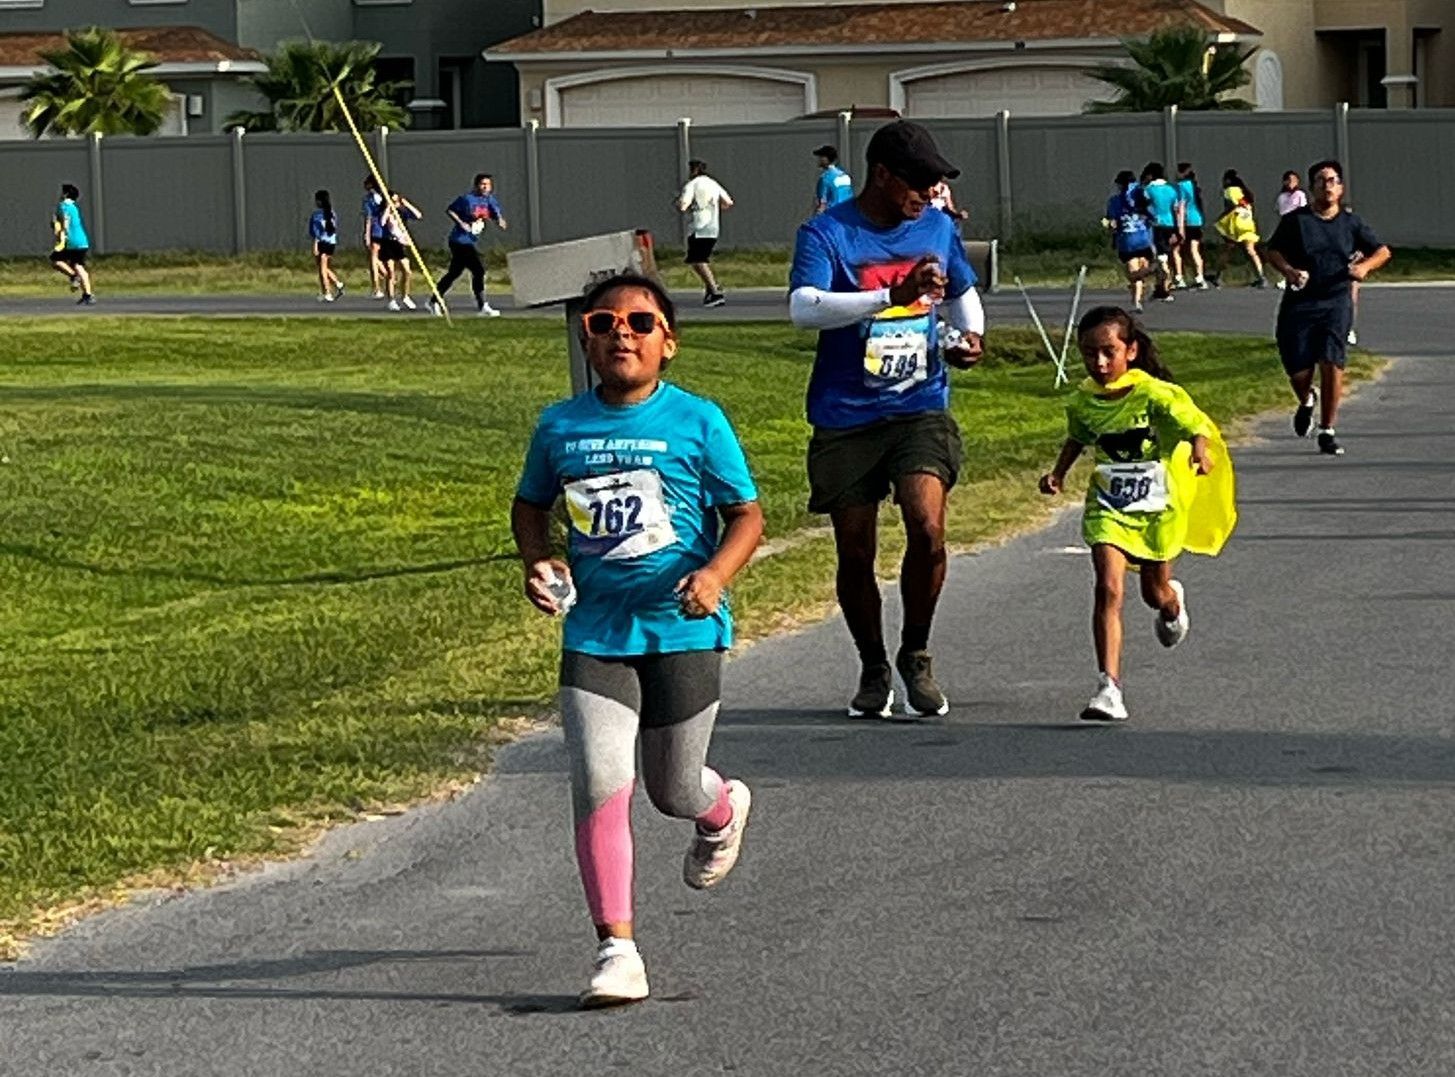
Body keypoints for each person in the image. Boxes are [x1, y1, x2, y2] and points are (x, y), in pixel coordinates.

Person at [512, 273, 764, 1008]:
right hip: (595, 629)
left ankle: (720, 811)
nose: (622, 332)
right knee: (597, 782)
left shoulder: (698, 421)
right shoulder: (559, 427)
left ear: (668, 342)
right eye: (603, 321)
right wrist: (539, 558)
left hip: (682, 624)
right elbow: (529, 504)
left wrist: (715, 574)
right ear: (586, 339)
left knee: (673, 789)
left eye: (641, 321)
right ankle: (616, 948)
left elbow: (746, 515)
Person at [788, 120, 986, 720]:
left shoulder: (935, 225)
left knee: (928, 528)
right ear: (882, 175)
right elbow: (803, 309)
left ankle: (916, 653)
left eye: (935, 182)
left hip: (919, 402)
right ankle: (873, 665)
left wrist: (971, 335)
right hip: (847, 411)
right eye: (919, 182)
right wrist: (887, 296)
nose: (929, 192)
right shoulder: (827, 232)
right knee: (856, 552)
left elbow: (960, 293)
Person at [1038, 306, 1235, 723]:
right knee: (1108, 588)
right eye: (1090, 354)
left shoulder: (1155, 394)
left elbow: (1195, 423)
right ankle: (1109, 687)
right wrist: (1058, 473)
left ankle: (1171, 603)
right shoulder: (1084, 401)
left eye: (1109, 352)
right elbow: (1078, 437)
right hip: (1109, 507)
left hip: (1156, 509)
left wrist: (1200, 447)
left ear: (1131, 350)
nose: (1100, 363)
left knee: (1152, 593)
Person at [1265, 159, 1391, 457]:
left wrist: (1364, 267)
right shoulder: (1296, 220)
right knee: (1298, 368)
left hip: (1336, 300)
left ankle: (1327, 430)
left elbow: (1382, 251)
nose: (1328, 186)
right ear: (1312, 188)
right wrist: (1290, 272)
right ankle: (1307, 399)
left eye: (1333, 180)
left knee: (1331, 361)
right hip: (1301, 301)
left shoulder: (1351, 223)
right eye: (1321, 181)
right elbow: (1272, 251)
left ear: (1341, 187)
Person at [432, 172, 506, 318]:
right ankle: (482, 305)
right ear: (477, 185)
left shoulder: (489, 200)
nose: (485, 187)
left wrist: (499, 220)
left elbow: (494, 212)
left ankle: (434, 300)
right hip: (459, 241)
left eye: (488, 185)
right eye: (482, 184)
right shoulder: (467, 199)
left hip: (470, 240)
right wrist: (461, 223)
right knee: (478, 270)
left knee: (454, 273)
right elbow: (450, 210)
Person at [676, 159, 733, 307]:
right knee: (700, 259)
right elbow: (728, 202)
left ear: (693, 171)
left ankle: (715, 291)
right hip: (713, 226)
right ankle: (710, 288)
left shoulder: (692, 185)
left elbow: (683, 205)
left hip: (698, 226)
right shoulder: (713, 183)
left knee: (698, 260)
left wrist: (682, 203)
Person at [1103, 170, 1157, 313]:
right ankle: (1137, 299)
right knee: (1139, 271)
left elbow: (1112, 222)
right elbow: (1154, 217)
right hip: (1144, 239)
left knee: (1133, 273)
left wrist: (1110, 228)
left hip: (1127, 241)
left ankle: (1137, 300)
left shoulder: (1115, 201)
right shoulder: (1142, 197)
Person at [1213, 169, 1266, 288]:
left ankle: (1218, 277)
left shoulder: (1229, 190)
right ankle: (1261, 276)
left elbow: (1231, 205)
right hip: (1247, 221)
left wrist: (1221, 218)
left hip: (1235, 222)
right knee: (1251, 251)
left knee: (1228, 249)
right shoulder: (1245, 192)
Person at [1140, 162, 1182, 300]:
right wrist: (1178, 230)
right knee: (1164, 256)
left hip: (1155, 226)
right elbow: (1176, 210)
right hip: (1170, 225)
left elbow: (1143, 208)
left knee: (1160, 258)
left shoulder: (1148, 190)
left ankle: (1165, 288)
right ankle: (1161, 287)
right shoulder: (1171, 190)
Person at [377, 191, 423, 312]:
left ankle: (405, 296)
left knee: (407, 271)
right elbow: (382, 222)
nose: (395, 203)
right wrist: (388, 207)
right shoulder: (385, 212)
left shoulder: (401, 212)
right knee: (391, 273)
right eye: (393, 201)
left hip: (399, 243)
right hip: (388, 242)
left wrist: (406, 204)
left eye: (397, 201)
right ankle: (391, 300)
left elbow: (418, 215)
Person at [50, 183, 94, 306]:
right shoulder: (74, 206)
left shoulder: (63, 206)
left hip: (71, 241)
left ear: (65, 194)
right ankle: (88, 295)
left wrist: (61, 237)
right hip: (82, 241)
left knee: (56, 260)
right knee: (78, 265)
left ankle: (74, 277)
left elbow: (65, 221)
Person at [1174, 163, 1209, 289]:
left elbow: (1181, 206)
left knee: (1178, 249)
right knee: (1195, 249)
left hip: (1187, 221)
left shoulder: (1181, 186)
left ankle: (1179, 277)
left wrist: (1180, 227)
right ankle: (1200, 277)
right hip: (1197, 219)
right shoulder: (1193, 186)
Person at [309, 189, 344, 302]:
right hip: (331, 242)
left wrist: (315, 245)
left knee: (322, 269)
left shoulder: (317, 215)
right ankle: (338, 284)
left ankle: (327, 292)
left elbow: (315, 232)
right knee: (323, 266)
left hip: (322, 242)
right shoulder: (332, 213)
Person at [361, 175, 389, 299]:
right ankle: (388, 277)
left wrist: (367, 234)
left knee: (374, 257)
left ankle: (376, 286)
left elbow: (369, 218)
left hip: (376, 229)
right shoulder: (385, 196)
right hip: (387, 229)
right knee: (381, 258)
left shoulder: (369, 199)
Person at [812, 145, 854, 215]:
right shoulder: (845, 175)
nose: (818, 159)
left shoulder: (825, 178)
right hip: (848, 214)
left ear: (825, 159)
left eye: (820, 156)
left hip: (832, 215)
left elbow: (822, 204)